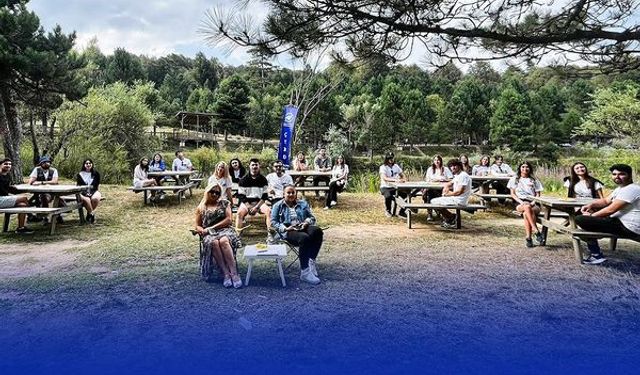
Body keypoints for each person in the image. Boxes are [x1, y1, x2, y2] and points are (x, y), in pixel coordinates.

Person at [576, 164, 640, 265]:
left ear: (630, 175)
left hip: (629, 227)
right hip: (618, 222)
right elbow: (606, 201)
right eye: (614, 174)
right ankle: (596, 254)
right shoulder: (620, 188)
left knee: (581, 219)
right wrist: (591, 204)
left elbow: (611, 210)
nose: (617, 177)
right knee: (582, 215)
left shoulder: (632, 189)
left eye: (621, 174)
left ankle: (596, 255)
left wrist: (592, 216)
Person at [271, 185, 323, 285]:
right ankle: (305, 272)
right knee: (304, 238)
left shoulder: (303, 203)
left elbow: (311, 217)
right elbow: (274, 222)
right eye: (288, 193)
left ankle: (311, 261)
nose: (291, 195)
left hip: (302, 226)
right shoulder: (277, 206)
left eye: (293, 193)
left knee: (317, 231)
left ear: (296, 193)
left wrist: (306, 222)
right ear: (283, 194)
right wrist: (285, 228)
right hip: (289, 230)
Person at [195, 183, 242, 288]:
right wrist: (202, 230)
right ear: (207, 192)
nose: (215, 194)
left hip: (225, 230)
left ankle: (234, 273)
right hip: (209, 233)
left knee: (224, 240)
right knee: (214, 242)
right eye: (212, 192)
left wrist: (212, 228)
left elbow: (229, 220)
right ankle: (225, 273)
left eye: (217, 192)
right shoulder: (201, 207)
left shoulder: (225, 203)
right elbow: (197, 225)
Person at [508, 161, 544, 248]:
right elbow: (512, 194)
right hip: (520, 201)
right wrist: (521, 202)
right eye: (523, 167)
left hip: (533, 202)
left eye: (527, 167)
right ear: (520, 168)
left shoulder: (534, 179)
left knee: (526, 213)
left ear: (530, 169)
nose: (525, 169)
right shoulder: (514, 179)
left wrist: (533, 202)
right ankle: (536, 230)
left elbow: (538, 194)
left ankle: (528, 238)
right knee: (526, 207)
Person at [236, 158, 272, 241]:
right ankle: (238, 238)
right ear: (249, 166)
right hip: (246, 202)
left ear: (259, 166)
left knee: (269, 211)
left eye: (256, 165)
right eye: (253, 165)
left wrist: (256, 207)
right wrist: (248, 207)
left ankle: (270, 235)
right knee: (239, 213)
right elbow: (241, 196)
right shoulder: (243, 180)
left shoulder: (263, 179)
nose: (254, 166)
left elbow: (264, 196)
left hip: (259, 202)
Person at [432, 159, 472, 229]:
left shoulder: (463, 176)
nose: (453, 168)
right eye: (451, 166)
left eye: (455, 166)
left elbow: (459, 192)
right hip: (456, 198)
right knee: (434, 200)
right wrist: (446, 187)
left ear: (459, 166)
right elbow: (449, 183)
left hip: (460, 200)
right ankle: (450, 218)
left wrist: (448, 194)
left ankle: (450, 218)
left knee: (434, 202)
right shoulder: (457, 175)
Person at [0, 158, 34, 234]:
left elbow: (7, 188)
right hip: (0, 199)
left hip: (4, 199)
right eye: (5, 164)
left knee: (23, 205)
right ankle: (31, 216)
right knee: (24, 198)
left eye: (9, 164)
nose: (8, 165)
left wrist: (18, 189)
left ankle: (20, 228)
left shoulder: (7, 176)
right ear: (0, 165)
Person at [423, 155, 453, 221]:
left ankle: (440, 212)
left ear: (441, 161)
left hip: (442, 188)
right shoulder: (430, 169)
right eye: (435, 160)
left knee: (432, 194)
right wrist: (434, 180)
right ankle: (430, 213)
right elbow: (427, 180)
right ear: (433, 161)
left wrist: (443, 180)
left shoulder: (445, 169)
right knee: (429, 193)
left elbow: (451, 179)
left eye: (438, 160)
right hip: (431, 187)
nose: (437, 161)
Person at [379, 152, 407, 218]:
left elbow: (402, 175)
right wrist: (395, 180)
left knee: (407, 195)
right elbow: (384, 178)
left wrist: (403, 179)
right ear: (386, 159)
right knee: (388, 196)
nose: (391, 159)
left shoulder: (396, 166)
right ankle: (388, 210)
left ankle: (402, 212)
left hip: (395, 187)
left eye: (392, 158)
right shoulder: (383, 167)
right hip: (385, 187)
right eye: (389, 158)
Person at [75, 159, 102, 224]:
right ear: (84, 165)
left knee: (95, 199)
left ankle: (88, 213)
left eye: (90, 163)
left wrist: (91, 193)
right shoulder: (80, 174)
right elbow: (79, 186)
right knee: (87, 199)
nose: (88, 164)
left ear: (92, 164)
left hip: (93, 191)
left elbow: (96, 186)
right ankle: (91, 214)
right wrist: (86, 193)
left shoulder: (96, 174)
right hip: (82, 193)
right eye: (86, 163)